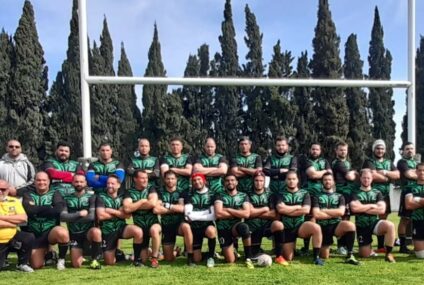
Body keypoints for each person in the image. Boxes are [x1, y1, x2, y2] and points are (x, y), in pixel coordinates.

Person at [21, 171, 70, 270]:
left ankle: (61, 260)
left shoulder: (55, 193)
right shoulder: (28, 194)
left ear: (49, 182)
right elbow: (29, 210)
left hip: (50, 232)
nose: (41, 182)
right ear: (34, 182)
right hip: (34, 233)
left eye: (44, 180)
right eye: (38, 180)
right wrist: (48, 208)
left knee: (62, 233)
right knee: (36, 265)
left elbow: (58, 210)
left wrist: (36, 209)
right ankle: (50, 254)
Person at [275, 171, 324, 265]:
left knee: (316, 227)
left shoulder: (304, 193)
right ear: (285, 180)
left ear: (297, 180)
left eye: (293, 179)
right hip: (287, 227)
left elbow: (306, 210)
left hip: (301, 226)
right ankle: (293, 249)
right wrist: (297, 207)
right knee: (289, 258)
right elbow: (280, 209)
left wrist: (287, 209)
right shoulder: (280, 194)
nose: (291, 181)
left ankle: (316, 257)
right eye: (289, 179)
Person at [312, 172, 360, 265]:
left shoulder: (340, 196)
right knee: (324, 256)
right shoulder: (316, 196)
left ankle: (350, 254)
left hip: (336, 226)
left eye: (329, 180)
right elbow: (316, 214)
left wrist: (324, 211)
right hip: (322, 227)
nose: (327, 182)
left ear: (333, 182)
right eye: (325, 180)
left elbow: (341, 212)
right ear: (322, 182)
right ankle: (325, 247)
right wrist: (334, 213)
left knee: (350, 225)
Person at [350, 169, 396, 263]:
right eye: (364, 178)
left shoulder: (377, 192)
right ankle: (368, 249)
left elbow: (382, 210)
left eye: (368, 178)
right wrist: (372, 205)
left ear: (372, 179)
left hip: (374, 223)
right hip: (361, 225)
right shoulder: (355, 192)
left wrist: (362, 208)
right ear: (360, 178)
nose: (366, 180)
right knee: (364, 255)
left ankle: (388, 254)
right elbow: (355, 209)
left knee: (390, 225)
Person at [362, 139, 399, 253]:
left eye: (382, 148)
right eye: (378, 148)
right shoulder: (369, 161)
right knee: (369, 218)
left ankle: (380, 246)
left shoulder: (389, 162)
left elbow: (397, 174)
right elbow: (373, 175)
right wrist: (388, 177)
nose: (380, 150)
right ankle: (366, 242)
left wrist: (385, 172)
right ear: (374, 149)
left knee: (383, 218)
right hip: (371, 195)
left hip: (385, 194)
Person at [96, 174, 143, 266]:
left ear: (119, 185)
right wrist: (119, 213)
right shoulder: (101, 197)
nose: (110, 185)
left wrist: (111, 211)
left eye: (112, 183)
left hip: (121, 227)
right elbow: (101, 216)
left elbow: (128, 216)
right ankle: (122, 255)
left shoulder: (123, 197)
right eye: (108, 183)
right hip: (107, 230)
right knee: (109, 262)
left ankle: (137, 260)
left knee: (138, 231)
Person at [246, 171, 288, 266]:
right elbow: (248, 213)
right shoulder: (247, 194)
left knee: (278, 224)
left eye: (261, 181)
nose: (258, 183)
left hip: (267, 226)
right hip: (253, 228)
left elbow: (274, 215)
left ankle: (279, 256)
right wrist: (265, 209)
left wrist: (256, 212)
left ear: (264, 181)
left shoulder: (271, 194)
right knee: (254, 254)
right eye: (256, 180)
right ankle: (258, 251)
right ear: (253, 181)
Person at [60, 174, 102, 269]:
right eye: (76, 181)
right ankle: (81, 255)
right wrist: (79, 214)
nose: (79, 184)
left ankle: (94, 260)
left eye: (81, 182)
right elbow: (62, 217)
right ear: (72, 183)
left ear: (86, 183)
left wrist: (71, 217)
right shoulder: (66, 198)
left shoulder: (92, 197)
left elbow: (91, 217)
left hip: (88, 233)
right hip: (74, 234)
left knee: (96, 231)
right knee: (76, 265)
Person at [153, 170, 194, 265]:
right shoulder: (160, 191)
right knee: (168, 259)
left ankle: (190, 257)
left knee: (186, 227)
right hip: (166, 225)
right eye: (168, 178)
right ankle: (176, 252)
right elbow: (156, 209)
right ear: (164, 179)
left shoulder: (182, 191)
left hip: (179, 224)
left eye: (172, 178)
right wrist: (174, 208)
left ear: (176, 180)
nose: (170, 181)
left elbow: (183, 209)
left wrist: (166, 206)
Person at [214, 174, 255, 269]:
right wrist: (238, 211)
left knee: (244, 227)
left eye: (232, 180)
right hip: (223, 228)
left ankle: (248, 257)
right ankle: (232, 250)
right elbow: (219, 214)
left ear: (237, 182)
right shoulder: (219, 195)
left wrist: (228, 209)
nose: (230, 182)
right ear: (224, 183)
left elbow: (246, 214)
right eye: (227, 180)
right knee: (230, 260)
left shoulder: (243, 195)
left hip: (235, 226)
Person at [122, 171, 161, 267]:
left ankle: (155, 258)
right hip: (140, 228)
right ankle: (150, 251)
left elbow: (152, 203)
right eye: (142, 178)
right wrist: (142, 201)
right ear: (135, 179)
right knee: (143, 260)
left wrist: (134, 206)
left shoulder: (151, 188)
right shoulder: (129, 192)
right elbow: (127, 209)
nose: (145, 180)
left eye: (146, 178)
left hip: (153, 223)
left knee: (154, 229)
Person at [298, 143, 331, 254]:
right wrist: (324, 172)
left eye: (317, 149)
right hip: (308, 194)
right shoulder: (306, 160)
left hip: (322, 194)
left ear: (320, 151)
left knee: (323, 218)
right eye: (313, 149)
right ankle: (306, 248)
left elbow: (330, 176)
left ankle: (322, 245)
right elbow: (312, 175)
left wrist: (323, 173)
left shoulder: (325, 161)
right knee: (309, 220)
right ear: (310, 150)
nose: (315, 151)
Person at [0, 179, 34, 272]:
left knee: (28, 237)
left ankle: (22, 264)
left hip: (12, 236)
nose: (0, 192)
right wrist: (13, 222)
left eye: (3, 189)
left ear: (8, 190)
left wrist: (2, 217)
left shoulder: (14, 201)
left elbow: (23, 218)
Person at [184, 173, 217, 267]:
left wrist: (194, 216)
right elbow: (187, 216)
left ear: (204, 181)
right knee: (197, 259)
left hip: (207, 226)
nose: (197, 182)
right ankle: (206, 254)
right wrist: (206, 212)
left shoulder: (212, 194)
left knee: (211, 231)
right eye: (194, 180)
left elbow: (213, 216)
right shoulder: (190, 194)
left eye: (199, 179)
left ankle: (211, 257)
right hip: (194, 228)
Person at [331, 141, 358, 254]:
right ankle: (340, 246)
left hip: (348, 194)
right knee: (343, 220)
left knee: (347, 219)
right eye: (341, 150)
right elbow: (350, 177)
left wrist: (353, 173)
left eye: (345, 150)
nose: (343, 152)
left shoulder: (347, 163)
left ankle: (347, 245)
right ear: (336, 151)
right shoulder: (337, 163)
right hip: (341, 193)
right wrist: (355, 172)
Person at [397, 142, 417, 253]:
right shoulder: (401, 162)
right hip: (407, 192)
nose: (410, 150)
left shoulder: (417, 162)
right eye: (407, 149)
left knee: (418, 218)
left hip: (419, 193)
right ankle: (402, 246)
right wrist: (419, 174)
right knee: (405, 219)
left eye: (412, 148)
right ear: (403, 151)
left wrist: (416, 172)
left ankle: (418, 244)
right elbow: (409, 174)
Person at [405, 163, 424, 259]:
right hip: (418, 221)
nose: (422, 172)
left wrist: (418, 200)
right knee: (421, 255)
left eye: (423, 170)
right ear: (416, 172)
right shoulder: (410, 187)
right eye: (420, 170)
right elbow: (408, 205)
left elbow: (413, 203)